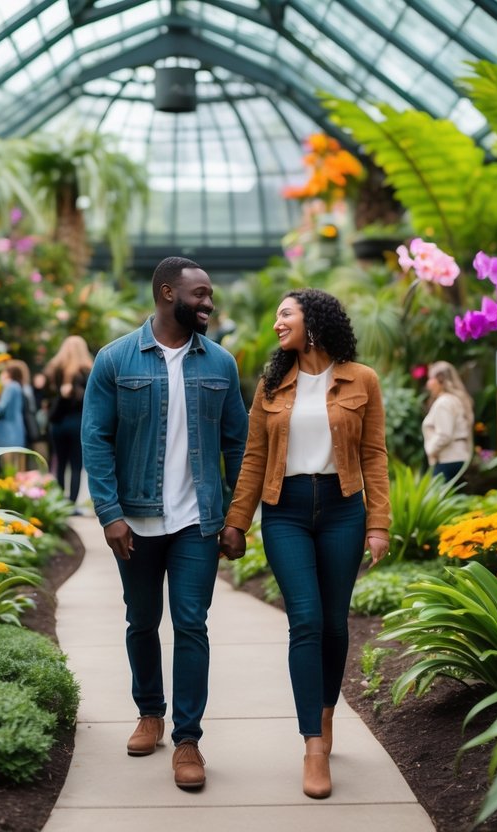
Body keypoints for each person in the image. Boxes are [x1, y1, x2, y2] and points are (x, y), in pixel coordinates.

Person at [81, 256, 249, 792]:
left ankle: (187, 739)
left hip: (197, 522)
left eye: (210, 295)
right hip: (135, 517)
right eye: (200, 294)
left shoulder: (220, 364)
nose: (208, 303)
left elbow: (239, 445)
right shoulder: (114, 359)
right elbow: (96, 439)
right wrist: (108, 514)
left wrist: (236, 518)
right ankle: (149, 712)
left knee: (192, 624)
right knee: (141, 620)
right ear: (167, 292)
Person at [219, 288, 391, 800]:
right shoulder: (272, 386)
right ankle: (312, 745)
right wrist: (237, 521)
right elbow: (252, 458)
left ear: (313, 320)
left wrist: (378, 523)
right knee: (307, 620)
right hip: (285, 511)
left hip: (342, 509)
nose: (277, 323)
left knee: (335, 624)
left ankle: (325, 711)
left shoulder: (362, 380)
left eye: (285, 314)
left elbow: (375, 455)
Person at [41, 335, 93, 503]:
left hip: (58, 422)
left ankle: (59, 502)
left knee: (59, 464)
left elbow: (45, 397)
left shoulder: (54, 369)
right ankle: (71, 503)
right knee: (76, 465)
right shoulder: (87, 371)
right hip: (78, 422)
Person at [422, 360, 473, 482]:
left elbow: (444, 434)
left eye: (431, 379)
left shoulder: (444, 403)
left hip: (447, 460)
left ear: (440, 380)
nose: (428, 384)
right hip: (459, 458)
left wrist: (430, 449)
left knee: (440, 499)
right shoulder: (456, 400)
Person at [0, 363, 28, 470]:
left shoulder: (10, 386)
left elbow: (1, 407)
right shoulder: (17, 386)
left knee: (7, 465)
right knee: (16, 465)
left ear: (9, 374)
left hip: (7, 431)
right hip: (17, 428)